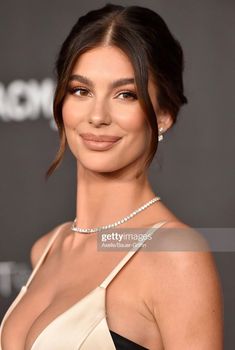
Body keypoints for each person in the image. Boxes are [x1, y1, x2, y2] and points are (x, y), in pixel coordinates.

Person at [0, 3, 223, 350]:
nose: (98, 115)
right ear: (60, 103)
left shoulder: (175, 255)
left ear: (163, 114)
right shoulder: (47, 248)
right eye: (81, 90)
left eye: (125, 95)